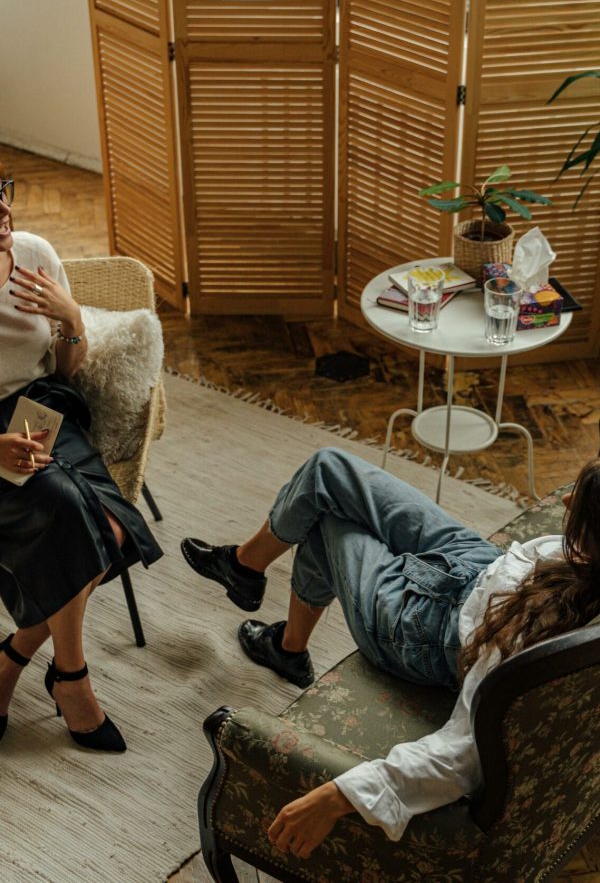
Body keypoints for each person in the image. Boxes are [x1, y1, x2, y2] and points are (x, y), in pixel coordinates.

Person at [181, 446, 600, 857]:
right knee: (328, 469)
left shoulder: (535, 635)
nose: (565, 500)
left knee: (323, 522)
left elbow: (465, 753)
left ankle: (284, 640)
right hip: (483, 565)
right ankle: (245, 569)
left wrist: (338, 795)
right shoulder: (583, 562)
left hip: (423, 627)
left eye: (580, 505)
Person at [0, 172, 163, 752]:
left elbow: (66, 370)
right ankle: (72, 677)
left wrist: (71, 320)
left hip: (42, 409)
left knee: (109, 527)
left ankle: (17, 657)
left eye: (0, 188)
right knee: (86, 519)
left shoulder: (36, 254)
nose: (1, 208)